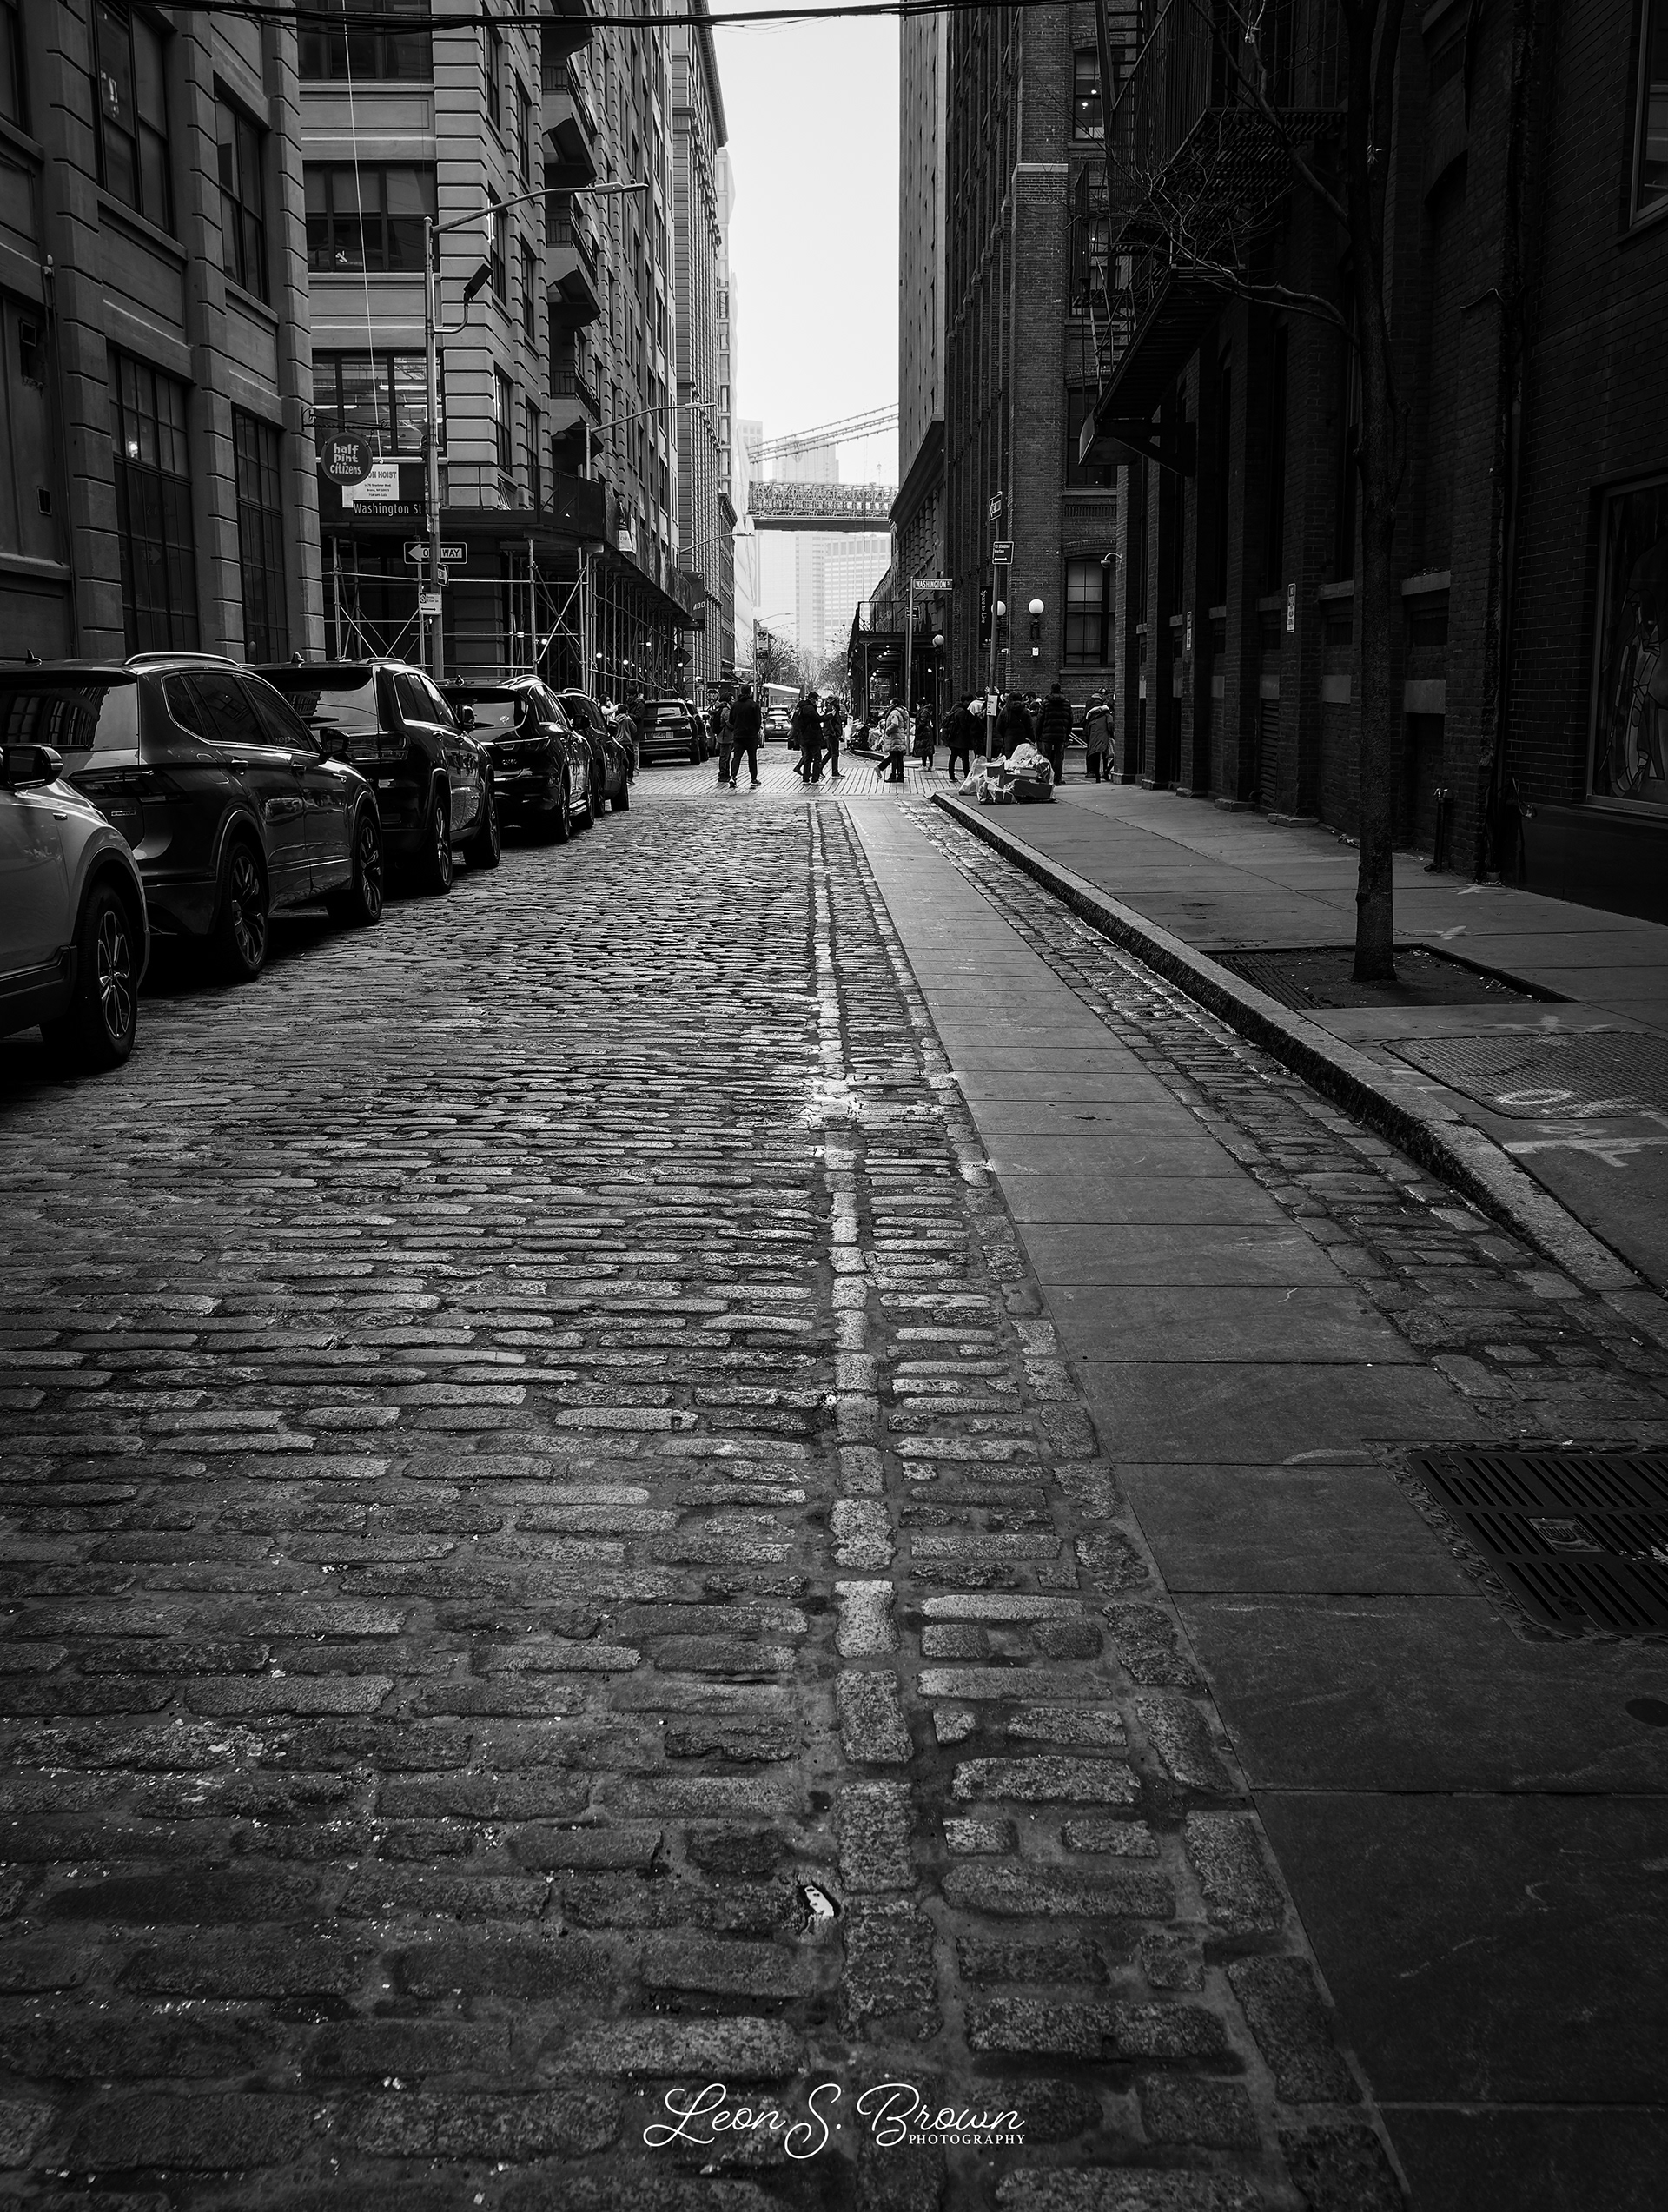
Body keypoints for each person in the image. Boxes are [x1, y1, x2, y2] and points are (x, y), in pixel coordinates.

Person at [1036, 681, 1073, 784]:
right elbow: (1070, 720)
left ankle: (1046, 777)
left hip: (1047, 734)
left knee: (1046, 756)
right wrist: (1067, 735)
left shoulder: (1046, 703)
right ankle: (1057, 778)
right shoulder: (1066, 703)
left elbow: (1040, 720)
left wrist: (1038, 735)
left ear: (1051, 690)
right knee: (1059, 757)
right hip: (1061, 734)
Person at [730, 683, 761, 787]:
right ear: (750, 692)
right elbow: (758, 721)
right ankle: (753, 779)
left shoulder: (735, 705)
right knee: (752, 758)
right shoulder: (753, 705)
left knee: (737, 757)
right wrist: (755, 730)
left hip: (738, 735)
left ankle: (733, 776)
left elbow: (731, 720)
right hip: (751, 735)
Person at [792, 689, 824, 783]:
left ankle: (806, 778)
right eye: (816, 700)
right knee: (817, 757)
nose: (816, 702)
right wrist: (829, 716)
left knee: (808, 757)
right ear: (812, 699)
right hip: (812, 736)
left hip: (804, 736)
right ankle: (815, 779)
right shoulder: (809, 708)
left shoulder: (802, 707)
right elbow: (817, 719)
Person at [943, 693, 976, 782]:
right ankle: (966, 775)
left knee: (953, 757)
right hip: (960, 739)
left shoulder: (955, 708)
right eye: (969, 701)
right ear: (966, 701)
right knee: (965, 758)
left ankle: (952, 775)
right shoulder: (962, 712)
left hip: (953, 738)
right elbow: (964, 726)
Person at [1082, 689, 1110, 782]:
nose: (1106, 699)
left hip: (1090, 728)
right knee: (1100, 752)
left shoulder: (1090, 700)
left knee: (1091, 750)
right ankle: (1099, 772)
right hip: (1097, 730)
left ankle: (1091, 771)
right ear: (1103, 695)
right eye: (1106, 696)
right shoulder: (1098, 704)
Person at [997, 690, 1033, 758]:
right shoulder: (1025, 711)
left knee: (1009, 759)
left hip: (1009, 739)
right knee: (1021, 759)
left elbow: (999, 726)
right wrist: (1032, 738)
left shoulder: (1005, 711)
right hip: (1022, 738)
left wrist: (1004, 735)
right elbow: (1030, 727)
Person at [711, 695, 733, 789]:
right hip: (725, 736)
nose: (733, 700)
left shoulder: (718, 708)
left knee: (724, 756)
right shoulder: (726, 710)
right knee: (725, 756)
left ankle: (725, 773)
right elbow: (729, 724)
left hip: (722, 736)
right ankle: (723, 774)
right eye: (732, 699)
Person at [884, 699, 908, 783]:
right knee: (900, 757)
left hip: (894, 738)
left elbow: (895, 723)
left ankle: (893, 775)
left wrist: (887, 730)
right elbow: (903, 725)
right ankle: (900, 775)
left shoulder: (894, 712)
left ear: (895, 704)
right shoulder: (901, 712)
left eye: (891, 703)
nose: (889, 705)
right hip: (900, 737)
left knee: (894, 757)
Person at [822, 692, 844, 778]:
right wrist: (833, 732)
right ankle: (835, 773)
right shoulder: (832, 709)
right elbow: (829, 721)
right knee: (835, 753)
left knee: (830, 753)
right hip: (832, 734)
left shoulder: (831, 708)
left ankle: (819, 769)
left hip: (831, 733)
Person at [913, 699, 936, 772]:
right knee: (928, 749)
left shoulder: (924, 711)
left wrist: (918, 730)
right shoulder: (926, 710)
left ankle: (924, 765)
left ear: (921, 705)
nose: (917, 707)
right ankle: (931, 765)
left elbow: (922, 722)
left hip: (924, 732)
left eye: (917, 705)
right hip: (927, 732)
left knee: (924, 749)